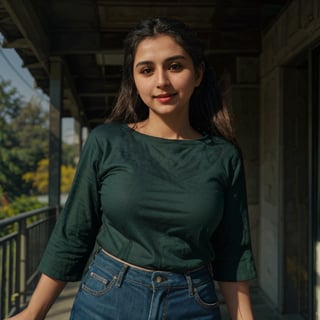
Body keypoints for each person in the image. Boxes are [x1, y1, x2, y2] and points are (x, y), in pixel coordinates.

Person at [8, 17, 256, 320]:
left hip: (193, 303)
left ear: (198, 74)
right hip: (107, 297)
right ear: (134, 79)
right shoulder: (106, 141)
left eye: (175, 66)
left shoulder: (223, 156)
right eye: (147, 70)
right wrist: (34, 312)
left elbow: (233, 251)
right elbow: (74, 231)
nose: (161, 81)